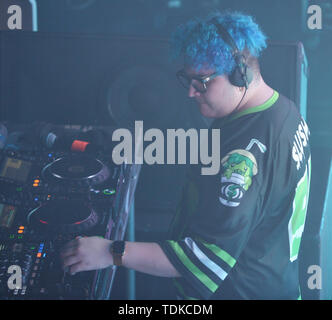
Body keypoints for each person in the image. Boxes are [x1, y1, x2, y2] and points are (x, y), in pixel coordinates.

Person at [60, 11, 311, 300]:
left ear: (239, 73)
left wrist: (110, 251)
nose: (191, 92)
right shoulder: (285, 112)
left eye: (201, 82)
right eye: (187, 79)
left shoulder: (244, 155)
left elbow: (204, 258)